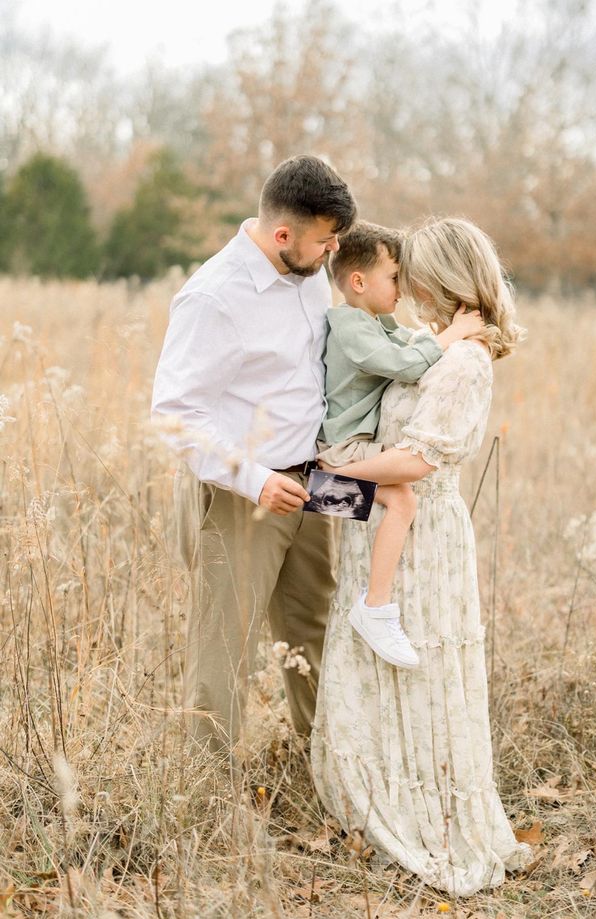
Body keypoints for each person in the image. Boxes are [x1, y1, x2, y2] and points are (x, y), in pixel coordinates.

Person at [311, 217, 533, 896]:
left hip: (421, 535)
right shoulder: (428, 343)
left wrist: (327, 478)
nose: (405, 285)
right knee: (370, 663)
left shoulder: (464, 360)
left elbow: (420, 457)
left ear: (443, 276)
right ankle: (364, 805)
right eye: (396, 273)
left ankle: (424, 813)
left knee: (415, 667)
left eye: (414, 274)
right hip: (380, 521)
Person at [151, 154, 357, 760]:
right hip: (245, 495)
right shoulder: (213, 298)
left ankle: (328, 767)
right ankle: (206, 797)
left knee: (313, 630)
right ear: (283, 234)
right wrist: (256, 479)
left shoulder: (311, 272)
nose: (332, 253)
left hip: (314, 486)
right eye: (325, 241)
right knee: (225, 647)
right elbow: (174, 415)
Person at [318, 220, 485, 669]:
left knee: (387, 502)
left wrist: (446, 333)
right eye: (394, 278)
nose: (402, 288)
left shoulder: (374, 320)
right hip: (343, 449)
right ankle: (375, 606)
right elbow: (403, 364)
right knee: (403, 502)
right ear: (358, 281)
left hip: (349, 452)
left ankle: (371, 601)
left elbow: (412, 342)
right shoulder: (348, 326)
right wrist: (451, 335)